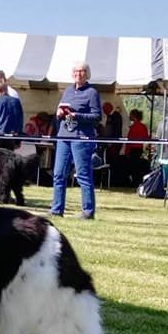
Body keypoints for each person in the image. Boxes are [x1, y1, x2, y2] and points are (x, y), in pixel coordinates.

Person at [50, 62, 102, 220]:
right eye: (75, 71)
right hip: (64, 136)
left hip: (81, 138)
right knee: (58, 174)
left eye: (81, 71)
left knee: (83, 175)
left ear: (87, 74)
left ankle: (88, 211)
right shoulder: (67, 90)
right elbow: (61, 109)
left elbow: (97, 116)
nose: (78, 74)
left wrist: (76, 115)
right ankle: (56, 209)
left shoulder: (92, 92)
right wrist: (59, 112)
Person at [120, 108, 150, 186]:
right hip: (139, 149)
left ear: (133, 116)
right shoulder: (143, 126)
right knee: (137, 167)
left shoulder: (133, 127)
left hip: (133, 149)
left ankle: (134, 183)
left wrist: (126, 151)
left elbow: (129, 140)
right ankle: (137, 182)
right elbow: (146, 138)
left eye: (130, 115)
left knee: (133, 167)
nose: (129, 116)